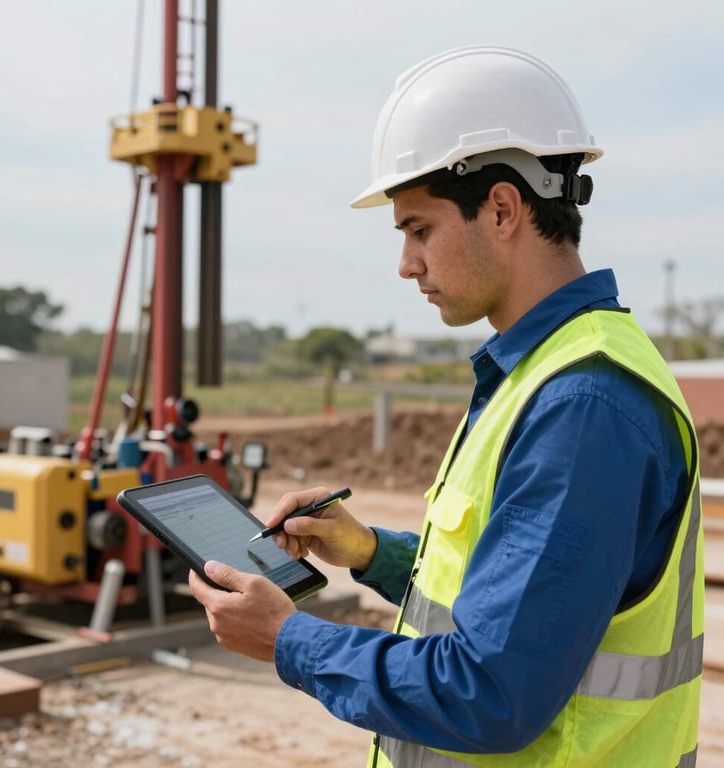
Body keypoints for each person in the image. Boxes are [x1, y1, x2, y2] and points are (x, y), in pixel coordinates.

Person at [189, 46, 704, 767]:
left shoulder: (581, 403)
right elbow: (515, 603)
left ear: (501, 209)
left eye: (418, 229)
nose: (407, 264)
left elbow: (490, 692)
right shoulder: (548, 371)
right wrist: (370, 552)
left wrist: (288, 639)